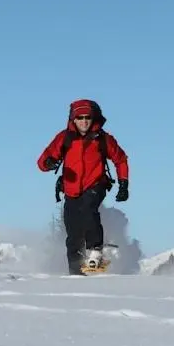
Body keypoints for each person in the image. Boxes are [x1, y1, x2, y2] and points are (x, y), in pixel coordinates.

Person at [37, 99, 129, 275]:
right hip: (71, 190)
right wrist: (48, 163)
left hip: (96, 184)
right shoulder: (64, 138)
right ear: (73, 119)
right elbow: (42, 161)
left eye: (88, 117)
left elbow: (121, 159)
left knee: (87, 210)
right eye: (80, 118)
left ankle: (96, 250)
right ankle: (75, 271)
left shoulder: (102, 138)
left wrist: (123, 183)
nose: (84, 121)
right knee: (72, 231)